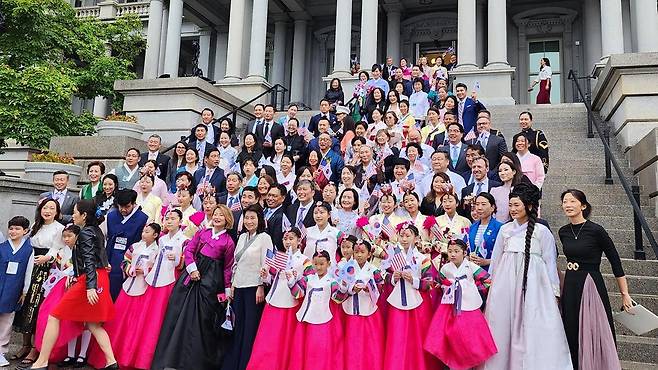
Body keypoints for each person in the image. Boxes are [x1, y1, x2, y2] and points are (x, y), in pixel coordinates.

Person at [483, 183, 572, 370]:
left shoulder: (542, 232)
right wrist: (491, 285)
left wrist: (554, 292)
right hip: (505, 284)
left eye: (517, 205)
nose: (513, 209)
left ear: (529, 206)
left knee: (533, 324)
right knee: (502, 325)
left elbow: (550, 263)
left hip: (535, 285)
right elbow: (496, 260)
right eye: (511, 205)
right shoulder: (505, 230)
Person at [31, 199, 116, 370]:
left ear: (84, 215)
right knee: (93, 324)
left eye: (76, 212)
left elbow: (90, 261)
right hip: (98, 278)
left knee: (54, 315)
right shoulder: (96, 231)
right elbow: (100, 256)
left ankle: (42, 362)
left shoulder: (85, 233)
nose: (73, 215)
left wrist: (90, 286)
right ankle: (111, 362)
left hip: (89, 280)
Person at [152, 205, 234, 370]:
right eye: (215, 214)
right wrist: (192, 269)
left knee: (202, 321)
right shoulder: (203, 232)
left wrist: (227, 289)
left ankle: (193, 362)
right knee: (177, 314)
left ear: (227, 220)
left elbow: (227, 267)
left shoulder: (229, 242)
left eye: (221, 215)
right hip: (191, 277)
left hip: (210, 283)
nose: (217, 217)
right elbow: (189, 250)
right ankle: (170, 358)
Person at [559, 189, 631, 369]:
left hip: (590, 283)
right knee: (571, 327)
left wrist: (625, 294)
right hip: (570, 283)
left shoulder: (596, 230)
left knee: (593, 328)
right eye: (565, 201)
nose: (568, 205)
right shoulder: (563, 232)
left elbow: (615, 261)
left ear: (583, 206)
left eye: (572, 201)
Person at [89, 223, 161, 369]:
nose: (144, 233)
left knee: (136, 322)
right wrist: (130, 269)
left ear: (155, 235)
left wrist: (147, 270)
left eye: (148, 232)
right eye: (143, 231)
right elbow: (125, 260)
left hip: (145, 287)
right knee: (118, 319)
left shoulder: (158, 250)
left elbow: (158, 267)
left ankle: (129, 356)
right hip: (129, 284)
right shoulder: (135, 246)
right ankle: (110, 355)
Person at [424, 238, 496, 368]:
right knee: (450, 335)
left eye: (456, 251)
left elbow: (487, 280)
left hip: (469, 306)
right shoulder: (445, 268)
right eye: (450, 251)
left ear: (464, 253)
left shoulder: (471, 266)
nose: (452, 254)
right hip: (449, 308)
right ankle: (453, 362)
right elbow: (436, 283)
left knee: (468, 336)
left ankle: (468, 362)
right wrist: (444, 287)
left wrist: (475, 290)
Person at [246, 228, 313, 370]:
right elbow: (273, 278)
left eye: (291, 238)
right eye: (285, 239)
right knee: (267, 341)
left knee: (285, 342)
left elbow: (307, 282)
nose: (288, 242)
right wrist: (265, 275)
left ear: (300, 240)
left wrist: (293, 281)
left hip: (291, 304)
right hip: (273, 300)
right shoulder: (278, 256)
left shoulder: (305, 261)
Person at [14, 199, 65, 368]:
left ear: (57, 212)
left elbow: (58, 248)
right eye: (45, 207)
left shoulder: (59, 228)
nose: (48, 211)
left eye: (52, 208)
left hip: (46, 270)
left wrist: (47, 258)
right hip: (29, 265)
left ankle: (36, 349)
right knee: (25, 304)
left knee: (37, 307)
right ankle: (25, 345)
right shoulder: (36, 225)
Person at [223, 204, 271, 370]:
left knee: (250, 327)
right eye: (247, 218)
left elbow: (267, 263)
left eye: (253, 218)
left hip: (254, 288)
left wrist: (261, 285)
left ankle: (246, 364)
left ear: (259, 220)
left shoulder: (265, 237)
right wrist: (233, 285)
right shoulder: (242, 236)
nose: (249, 221)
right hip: (240, 285)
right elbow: (236, 263)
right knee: (238, 326)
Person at [381, 223, 436, 370]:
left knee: (417, 337)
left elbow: (430, 282)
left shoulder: (422, 258)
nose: (404, 239)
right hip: (397, 301)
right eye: (401, 235)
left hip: (418, 302)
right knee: (396, 336)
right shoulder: (392, 256)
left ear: (416, 238)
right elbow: (383, 276)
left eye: (408, 235)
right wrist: (394, 278)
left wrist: (414, 280)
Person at [288, 250, 343, 370]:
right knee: (302, 349)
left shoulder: (332, 281)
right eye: (316, 264)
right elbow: (298, 294)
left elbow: (338, 299)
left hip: (323, 320)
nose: (318, 267)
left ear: (328, 264)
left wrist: (343, 289)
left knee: (319, 350)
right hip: (305, 320)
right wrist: (291, 283)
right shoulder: (308, 279)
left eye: (322, 264)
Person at [337, 240, 384, 370]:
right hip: (349, 310)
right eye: (356, 252)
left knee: (369, 343)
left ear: (369, 254)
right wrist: (352, 289)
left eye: (362, 252)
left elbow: (381, 286)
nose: (359, 255)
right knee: (350, 342)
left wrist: (369, 288)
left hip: (369, 310)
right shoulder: (347, 267)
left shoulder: (374, 269)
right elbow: (341, 287)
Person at [0, 216, 32, 367]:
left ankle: (1, 351)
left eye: (17, 229)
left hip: (13, 289)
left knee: (7, 321)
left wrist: (24, 291)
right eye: (11, 228)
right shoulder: (2, 247)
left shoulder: (28, 250)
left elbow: (28, 272)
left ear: (25, 231)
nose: (13, 231)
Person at [105, 189, 149, 300]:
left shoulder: (143, 218)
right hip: (110, 256)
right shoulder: (111, 216)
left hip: (129, 259)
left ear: (134, 204)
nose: (123, 210)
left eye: (127, 207)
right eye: (120, 206)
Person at [467, 192, 503, 271]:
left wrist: (487, 262)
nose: (479, 208)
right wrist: (469, 257)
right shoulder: (472, 228)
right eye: (477, 204)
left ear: (492, 207)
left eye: (483, 204)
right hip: (473, 271)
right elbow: (466, 249)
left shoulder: (500, 227)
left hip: (492, 271)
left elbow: (504, 255)